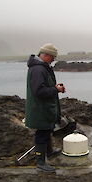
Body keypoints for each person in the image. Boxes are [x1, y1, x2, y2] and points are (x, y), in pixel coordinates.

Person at [25, 43, 65, 172]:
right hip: (40, 108)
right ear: (46, 55)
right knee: (41, 134)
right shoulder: (38, 69)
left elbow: (42, 87)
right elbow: (39, 92)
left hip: (44, 107)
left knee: (47, 130)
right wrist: (55, 89)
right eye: (53, 57)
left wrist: (54, 87)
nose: (53, 60)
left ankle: (49, 152)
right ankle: (40, 163)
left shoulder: (41, 67)